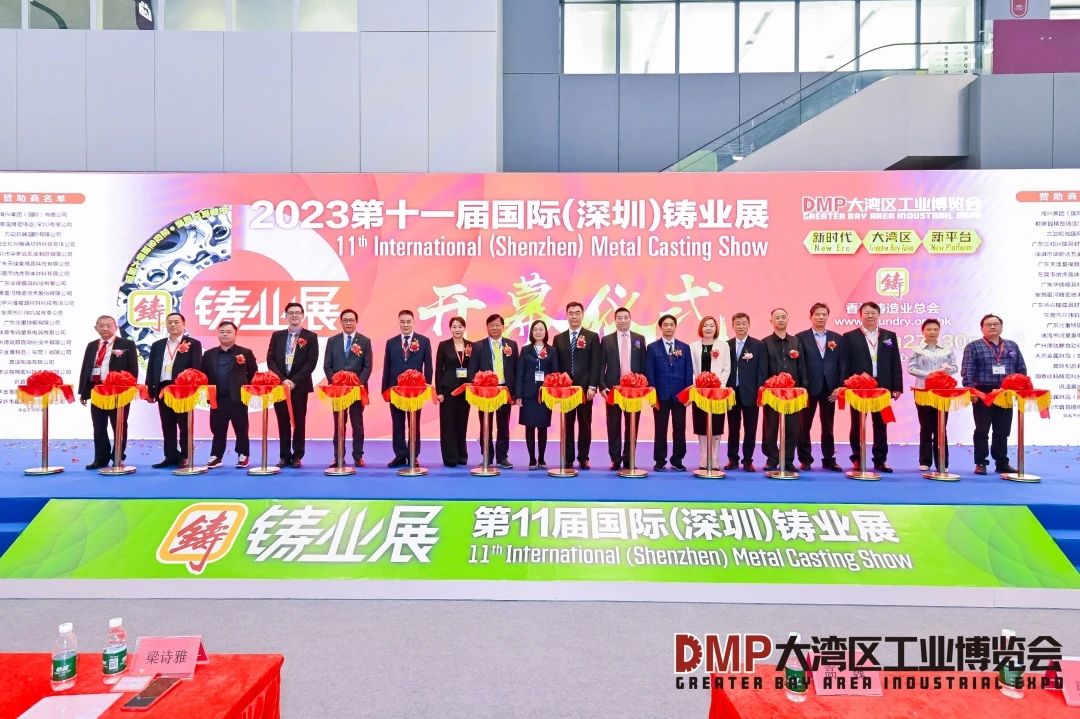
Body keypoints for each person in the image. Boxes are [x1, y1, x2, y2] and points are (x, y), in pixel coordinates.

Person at [836, 301, 904, 472]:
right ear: (860, 315)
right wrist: (843, 385)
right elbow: (844, 363)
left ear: (878, 315)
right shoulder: (849, 337)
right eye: (866, 313)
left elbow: (895, 361)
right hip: (859, 387)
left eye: (873, 313)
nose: (870, 316)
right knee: (857, 423)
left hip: (882, 387)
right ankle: (858, 458)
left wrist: (897, 386)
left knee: (881, 424)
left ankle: (880, 459)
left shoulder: (889, 335)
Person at [961, 314, 1026, 475]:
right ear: (982, 328)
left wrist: (1020, 387)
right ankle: (981, 462)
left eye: (996, 324)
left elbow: (1021, 369)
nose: (992, 327)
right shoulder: (973, 347)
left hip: (1005, 393)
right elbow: (967, 371)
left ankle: (1002, 462)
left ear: (1001, 327)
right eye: (988, 324)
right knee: (982, 429)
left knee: (1002, 430)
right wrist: (970, 390)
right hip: (983, 393)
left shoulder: (1012, 345)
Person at [77, 315, 139, 470]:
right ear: (96, 328)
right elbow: (86, 368)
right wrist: (84, 392)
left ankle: (118, 456)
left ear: (116, 327)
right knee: (98, 426)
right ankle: (100, 458)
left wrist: (129, 389)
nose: (105, 328)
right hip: (97, 390)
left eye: (108, 325)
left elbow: (133, 369)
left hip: (118, 391)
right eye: (101, 325)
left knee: (119, 425)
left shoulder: (127, 344)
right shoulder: (92, 345)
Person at [146, 312, 204, 469]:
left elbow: (196, 368)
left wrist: (193, 389)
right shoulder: (158, 345)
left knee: (184, 424)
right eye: (170, 322)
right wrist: (150, 390)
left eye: (176, 322)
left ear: (184, 324)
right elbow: (151, 368)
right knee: (167, 424)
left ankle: (186, 455)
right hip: (162, 388)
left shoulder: (193, 344)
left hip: (183, 390)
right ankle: (170, 455)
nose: (173, 325)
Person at [266, 302, 320, 469]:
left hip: (299, 386)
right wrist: (283, 379)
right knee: (282, 421)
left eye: (297, 312)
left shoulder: (310, 337)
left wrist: (294, 380)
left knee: (299, 421)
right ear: (286, 316)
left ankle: (297, 456)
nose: (294, 315)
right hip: (280, 386)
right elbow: (270, 360)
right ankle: (284, 456)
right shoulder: (277, 336)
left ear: (302, 315)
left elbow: (311, 362)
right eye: (291, 312)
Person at [200, 321, 257, 469]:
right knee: (217, 429)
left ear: (235, 334)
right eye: (222, 332)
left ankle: (243, 454)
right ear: (218, 334)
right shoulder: (209, 354)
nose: (225, 334)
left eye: (228, 332)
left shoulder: (245, 353)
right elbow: (203, 375)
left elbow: (253, 374)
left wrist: (245, 390)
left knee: (241, 428)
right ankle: (216, 456)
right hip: (217, 398)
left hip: (238, 398)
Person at [381, 309, 433, 468]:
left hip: (416, 391)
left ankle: (413, 455)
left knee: (414, 424)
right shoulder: (391, 342)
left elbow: (428, 365)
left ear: (413, 322)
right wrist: (385, 389)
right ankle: (400, 455)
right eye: (402, 322)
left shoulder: (423, 341)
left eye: (408, 321)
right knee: (397, 424)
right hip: (395, 390)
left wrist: (427, 385)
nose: (405, 325)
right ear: (399, 323)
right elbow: (387, 366)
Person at [552, 301, 601, 469]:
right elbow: (556, 365)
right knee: (567, 424)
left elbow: (596, 364)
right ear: (567, 315)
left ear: (582, 315)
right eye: (571, 313)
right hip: (566, 390)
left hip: (585, 389)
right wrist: (557, 385)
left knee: (585, 424)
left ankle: (583, 457)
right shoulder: (558, 338)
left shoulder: (592, 337)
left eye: (577, 313)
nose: (574, 316)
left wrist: (593, 386)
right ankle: (568, 458)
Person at [795, 303, 843, 472]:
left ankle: (829, 459)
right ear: (811, 317)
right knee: (804, 425)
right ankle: (805, 459)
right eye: (817, 314)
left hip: (830, 388)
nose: (821, 317)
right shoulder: (800, 337)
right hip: (809, 387)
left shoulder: (837, 338)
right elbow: (799, 365)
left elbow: (842, 364)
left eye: (824, 314)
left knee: (828, 425)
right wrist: (802, 386)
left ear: (828, 316)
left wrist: (840, 386)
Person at [467, 313, 519, 469]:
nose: (495, 327)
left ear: (503, 327)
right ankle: (487, 457)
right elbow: (472, 371)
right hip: (485, 392)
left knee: (503, 425)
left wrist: (516, 392)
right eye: (491, 325)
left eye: (497, 325)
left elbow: (516, 370)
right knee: (485, 425)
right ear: (487, 327)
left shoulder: (511, 345)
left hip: (504, 390)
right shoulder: (478, 346)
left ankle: (502, 457)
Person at [322, 308, 373, 467]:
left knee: (357, 424)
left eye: (351, 320)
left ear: (356, 322)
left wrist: (359, 384)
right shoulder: (332, 341)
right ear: (341, 322)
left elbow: (368, 366)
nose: (348, 323)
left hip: (357, 390)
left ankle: (358, 456)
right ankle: (338, 456)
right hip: (338, 391)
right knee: (339, 424)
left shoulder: (364, 341)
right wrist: (335, 382)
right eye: (345, 320)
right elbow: (327, 365)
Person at [908, 318, 958, 472]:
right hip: (923, 392)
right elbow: (911, 368)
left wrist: (945, 371)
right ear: (923, 331)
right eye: (929, 329)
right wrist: (930, 375)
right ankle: (925, 460)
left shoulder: (947, 349)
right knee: (926, 426)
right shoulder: (917, 349)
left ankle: (943, 461)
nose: (932, 332)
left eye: (935, 329)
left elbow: (955, 367)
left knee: (941, 427)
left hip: (942, 393)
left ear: (939, 331)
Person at [600, 307, 647, 470]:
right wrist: (602, 386)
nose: (623, 320)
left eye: (626, 317)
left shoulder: (639, 339)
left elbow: (643, 365)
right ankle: (615, 459)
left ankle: (629, 458)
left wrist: (644, 386)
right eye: (619, 318)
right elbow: (601, 365)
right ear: (615, 320)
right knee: (613, 425)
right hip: (613, 389)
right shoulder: (607, 340)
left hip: (634, 390)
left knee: (632, 424)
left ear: (630, 319)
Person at [761, 308, 808, 473]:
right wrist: (763, 387)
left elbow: (802, 366)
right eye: (777, 317)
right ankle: (772, 459)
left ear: (788, 320)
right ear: (771, 321)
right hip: (772, 393)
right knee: (770, 427)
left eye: (783, 317)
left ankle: (788, 460)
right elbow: (762, 368)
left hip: (793, 393)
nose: (780, 320)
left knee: (793, 428)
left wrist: (804, 386)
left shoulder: (796, 341)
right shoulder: (765, 342)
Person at [645, 314, 693, 471]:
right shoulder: (652, 348)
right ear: (661, 327)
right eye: (665, 325)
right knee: (660, 428)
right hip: (660, 394)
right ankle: (660, 460)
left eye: (671, 324)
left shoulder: (684, 347)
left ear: (675, 327)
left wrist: (688, 393)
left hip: (680, 395)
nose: (668, 327)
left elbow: (688, 372)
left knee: (679, 428)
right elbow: (650, 372)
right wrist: (652, 393)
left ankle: (677, 460)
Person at [724, 313, 768, 472]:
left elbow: (762, 370)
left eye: (744, 323)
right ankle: (732, 459)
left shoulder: (758, 345)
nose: (741, 326)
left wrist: (759, 391)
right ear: (732, 326)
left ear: (749, 325)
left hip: (751, 393)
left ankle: (748, 460)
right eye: (738, 323)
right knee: (733, 428)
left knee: (750, 429)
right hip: (731, 392)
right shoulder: (726, 345)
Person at [515, 320, 559, 469]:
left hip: (545, 394)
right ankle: (532, 459)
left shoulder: (552, 350)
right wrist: (518, 394)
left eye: (541, 329)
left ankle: (541, 458)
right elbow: (520, 373)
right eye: (535, 329)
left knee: (542, 427)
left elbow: (555, 373)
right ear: (531, 332)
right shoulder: (525, 350)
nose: (538, 332)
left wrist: (553, 393)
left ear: (545, 332)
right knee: (529, 427)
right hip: (528, 394)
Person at [689, 315, 732, 470]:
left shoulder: (723, 345)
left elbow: (727, 368)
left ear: (716, 328)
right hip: (699, 392)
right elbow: (691, 368)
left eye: (711, 325)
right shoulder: (693, 346)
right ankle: (703, 456)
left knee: (717, 424)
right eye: (705, 325)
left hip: (718, 392)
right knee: (701, 423)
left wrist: (719, 385)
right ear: (701, 328)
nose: (708, 328)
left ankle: (714, 457)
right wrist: (697, 384)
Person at [434, 317, 473, 468]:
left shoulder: (471, 345)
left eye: (460, 326)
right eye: (454, 327)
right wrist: (439, 392)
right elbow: (438, 369)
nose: (457, 329)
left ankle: (462, 456)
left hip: (465, 390)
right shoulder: (443, 345)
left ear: (464, 328)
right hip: (448, 389)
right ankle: (450, 457)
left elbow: (474, 366)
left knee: (462, 422)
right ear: (450, 329)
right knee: (448, 423)